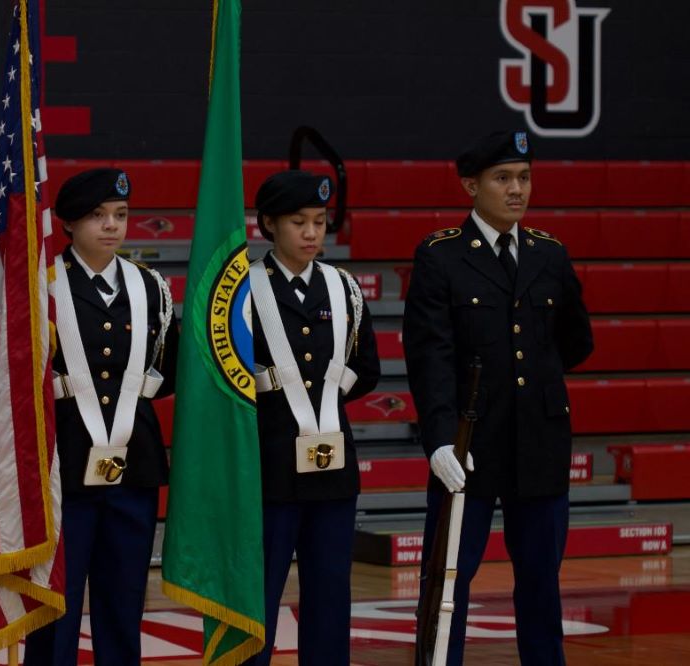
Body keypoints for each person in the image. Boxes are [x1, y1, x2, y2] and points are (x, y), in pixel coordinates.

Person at [402, 130, 594, 665]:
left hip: (539, 444)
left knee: (541, 585)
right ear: (471, 185)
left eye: (525, 177)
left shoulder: (549, 254)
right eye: (503, 178)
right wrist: (440, 440)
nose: (517, 190)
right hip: (469, 448)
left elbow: (576, 342)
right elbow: (430, 358)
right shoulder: (441, 257)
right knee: (447, 586)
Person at [23, 168, 178, 666]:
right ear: (68, 223)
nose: (111, 225)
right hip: (64, 465)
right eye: (97, 216)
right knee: (56, 605)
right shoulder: (43, 285)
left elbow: (167, 369)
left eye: (120, 215)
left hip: (134, 465)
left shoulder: (151, 288)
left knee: (123, 599)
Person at [244, 170, 380, 665]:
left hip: (332, 472)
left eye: (319, 222)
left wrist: (326, 390)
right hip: (269, 467)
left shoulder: (344, 289)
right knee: (257, 597)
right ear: (268, 225)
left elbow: (368, 368)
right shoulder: (242, 291)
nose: (310, 233)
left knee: (329, 596)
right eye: (298, 222)